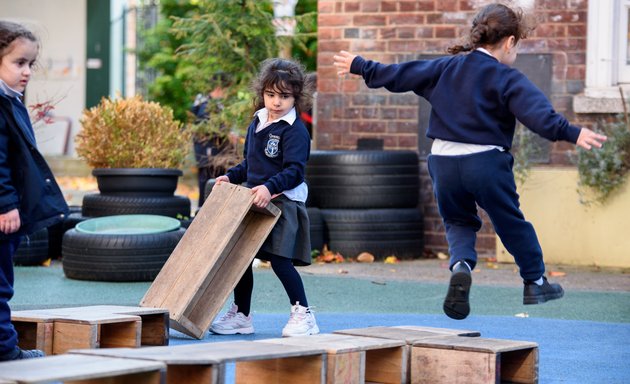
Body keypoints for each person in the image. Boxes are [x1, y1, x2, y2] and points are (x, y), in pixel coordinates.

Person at [333, 3, 607, 320]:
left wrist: (361, 65)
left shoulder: (446, 67)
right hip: (485, 164)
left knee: (459, 221)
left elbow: (401, 74)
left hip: (444, 161)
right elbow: (539, 117)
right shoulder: (507, 78)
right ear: (509, 42)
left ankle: (461, 265)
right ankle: (535, 281)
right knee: (510, 222)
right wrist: (573, 133)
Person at [210, 58, 318, 336]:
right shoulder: (258, 121)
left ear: (296, 96)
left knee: (280, 259)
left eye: (284, 96)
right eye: (270, 95)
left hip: (283, 202)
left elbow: (294, 171)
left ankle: (303, 313)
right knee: (240, 257)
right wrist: (231, 176)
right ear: (262, 94)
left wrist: (270, 188)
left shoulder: (295, 130)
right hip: (255, 200)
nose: (276, 102)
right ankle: (242, 315)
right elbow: (251, 163)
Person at [0, 21, 69, 360]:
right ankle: (5, 352)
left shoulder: (10, 99)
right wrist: (6, 204)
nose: (27, 71)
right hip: (2, 214)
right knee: (0, 286)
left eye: (31, 64)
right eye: (18, 62)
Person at [191, 73, 230, 207]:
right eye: (226, 90)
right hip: (208, 154)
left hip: (214, 154)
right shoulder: (206, 106)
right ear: (219, 88)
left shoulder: (214, 105)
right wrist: (226, 133)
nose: (227, 94)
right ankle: (203, 211)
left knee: (214, 185)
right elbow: (207, 127)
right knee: (207, 185)